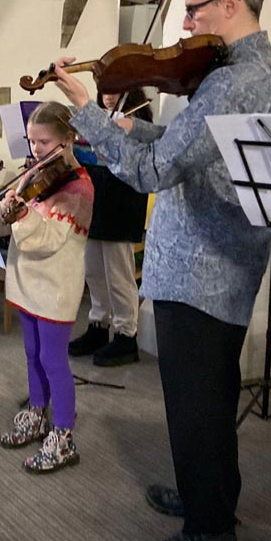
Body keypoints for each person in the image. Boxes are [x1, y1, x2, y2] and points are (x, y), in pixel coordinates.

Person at [52, 0, 271, 541]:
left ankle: (210, 533)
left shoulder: (237, 81)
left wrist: (85, 115)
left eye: (194, 8)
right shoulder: (237, 70)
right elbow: (178, 148)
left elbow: (155, 173)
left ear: (231, 4)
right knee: (202, 399)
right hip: (207, 264)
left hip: (207, 269)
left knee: (198, 403)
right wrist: (112, 123)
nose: (185, 24)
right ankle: (205, 497)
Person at [0, 101, 94, 473]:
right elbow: (9, 220)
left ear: (68, 139)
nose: (36, 150)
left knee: (53, 360)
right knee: (32, 353)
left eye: (44, 142)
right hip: (27, 282)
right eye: (32, 141)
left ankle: (63, 434)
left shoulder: (78, 188)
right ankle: (37, 412)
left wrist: (21, 211)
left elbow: (44, 239)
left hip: (56, 286)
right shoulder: (37, 174)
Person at [68, 88, 152, 366]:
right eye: (105, 89)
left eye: (116, 89)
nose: (109, 96)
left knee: (118, 275)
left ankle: (126, 335)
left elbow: (139, 163)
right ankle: (98, 325)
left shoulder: (138, 122)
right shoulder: (96, 117)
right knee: (93, 270)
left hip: (122, 203)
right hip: (96, 200)